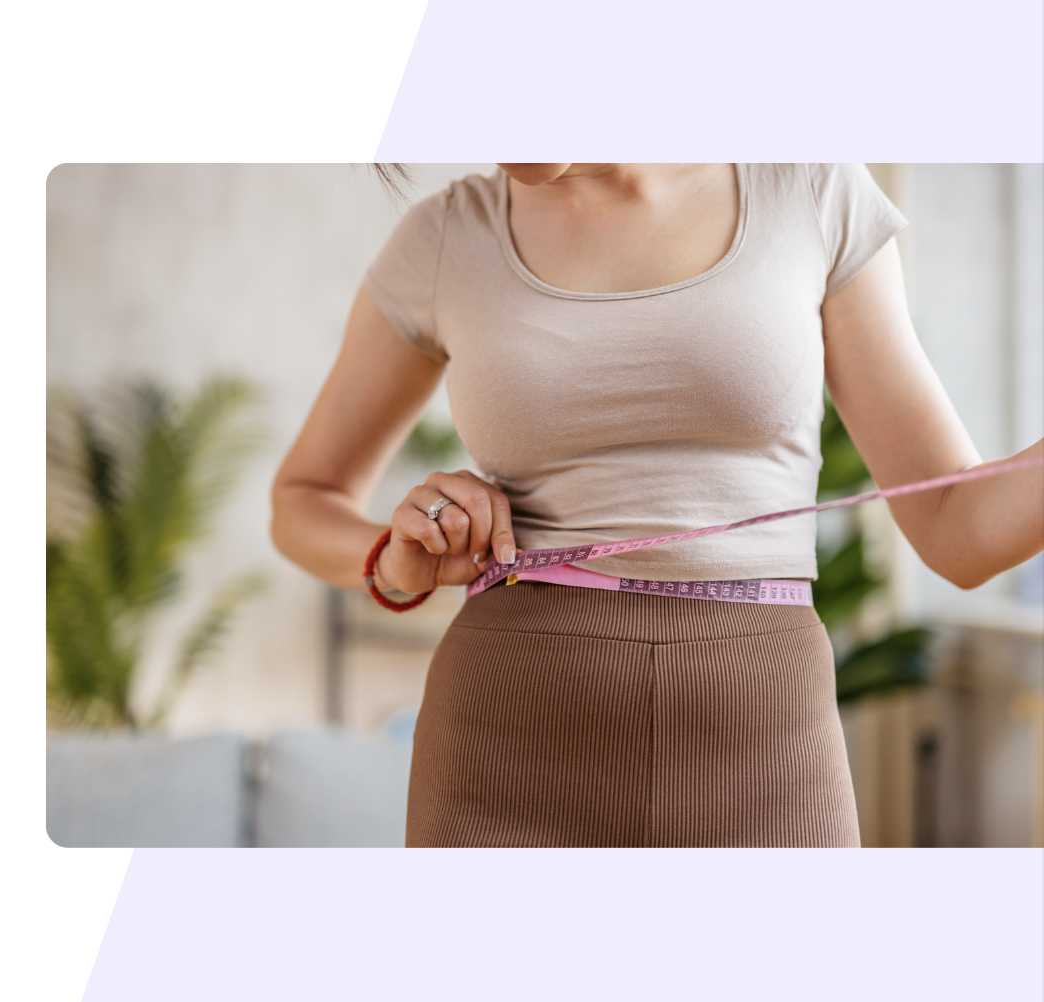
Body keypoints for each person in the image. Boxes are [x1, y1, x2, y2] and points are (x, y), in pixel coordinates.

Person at [270, 164, 1043, 847]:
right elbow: (302, 500)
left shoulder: (809, 187)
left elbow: (956, 528)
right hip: (502, 745)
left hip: (766, 741)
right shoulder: (445, 236)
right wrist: (393, 557)